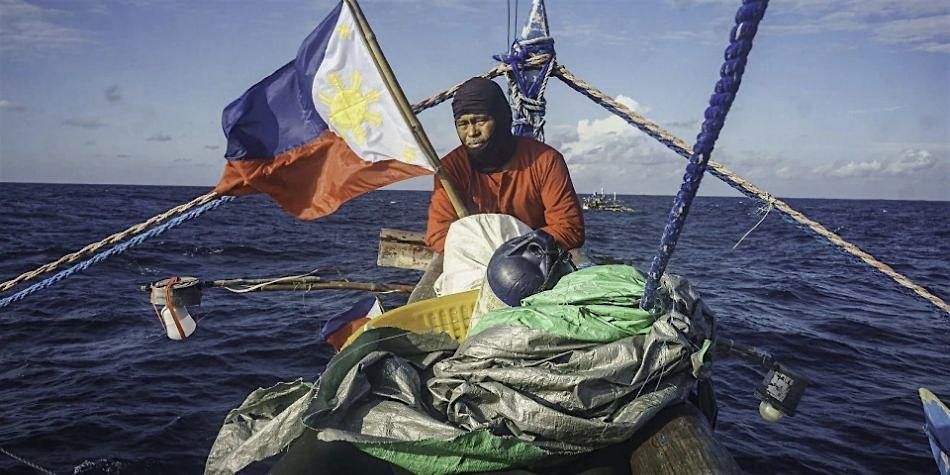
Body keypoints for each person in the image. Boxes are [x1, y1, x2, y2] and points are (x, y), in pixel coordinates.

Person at [424, 77, 585, 254]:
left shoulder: (545, 161)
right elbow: (438, 234)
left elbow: (569, 227)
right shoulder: (449, 169)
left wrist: (512, 252)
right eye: (463, 124)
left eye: (480, 121)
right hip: (472, 259)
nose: (472, 132)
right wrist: (482, 252)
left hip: (535, 257)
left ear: (502, 119)